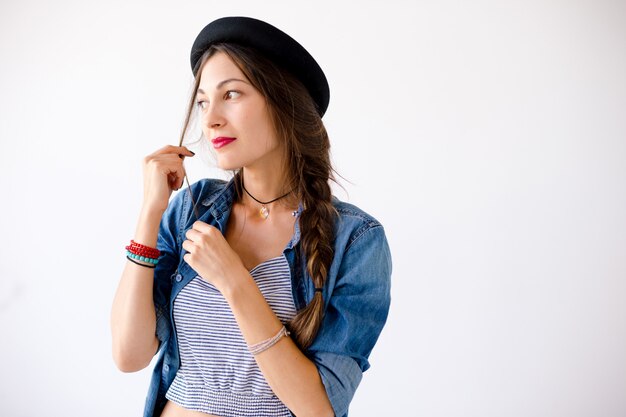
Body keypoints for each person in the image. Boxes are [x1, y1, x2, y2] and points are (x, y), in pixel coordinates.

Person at [111, 16, 392, 417]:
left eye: (232, 95)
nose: (210, 120)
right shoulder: (191, 211)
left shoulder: (356, 240)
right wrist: (149, 212)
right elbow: (129, 355)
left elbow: (320, 408)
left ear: (284, 102)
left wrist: (235, 282)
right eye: (204, 101)